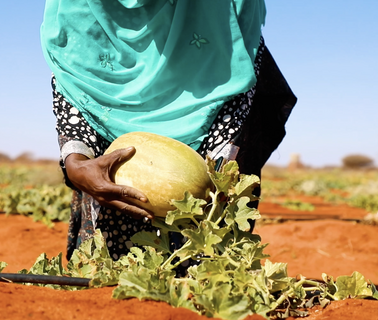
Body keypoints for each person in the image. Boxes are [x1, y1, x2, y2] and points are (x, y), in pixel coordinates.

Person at [40, 0, 296, 261]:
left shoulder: (225, 11)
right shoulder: (78, 8)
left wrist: (217, 180)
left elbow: (234, 93)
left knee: (211, 253)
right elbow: (73, 74)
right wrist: (77, 161)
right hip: (108, 141)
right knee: (114, 271)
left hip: (217, 91)